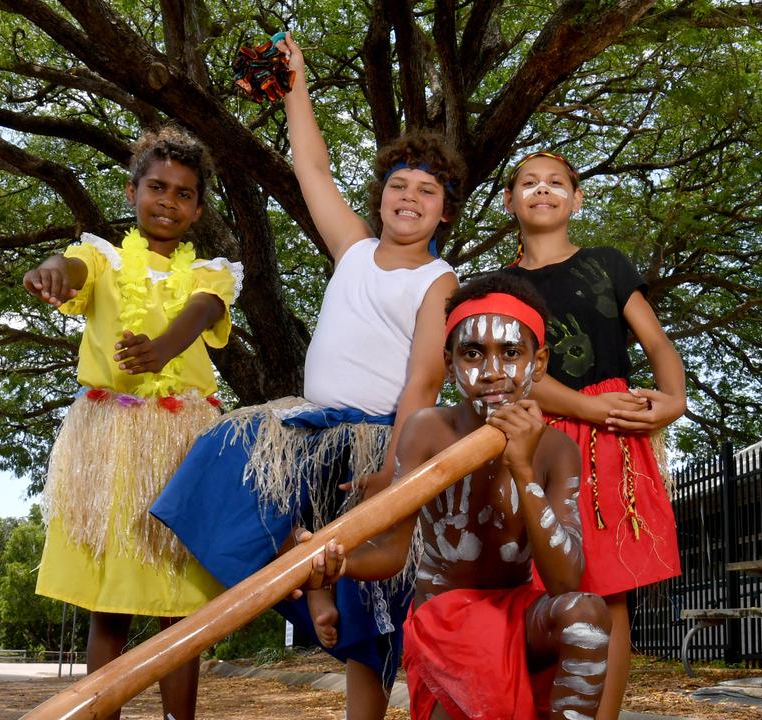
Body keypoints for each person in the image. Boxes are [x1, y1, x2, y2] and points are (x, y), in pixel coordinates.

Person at [149, 32, 460, 720]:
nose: (408, 197)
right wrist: (297, 89)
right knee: (220, 456)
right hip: (305, 430)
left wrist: (399, 472)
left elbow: (423, 385)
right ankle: (300, 570)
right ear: (380, 198)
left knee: (371, 620)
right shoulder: (353, 248)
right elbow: (314, 170)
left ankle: (320, 593)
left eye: (426, 190)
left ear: (443, 210)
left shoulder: (441, 281)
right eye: (398, 186)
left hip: (377, 441)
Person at [300, 273, 612, 720]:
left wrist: (522, 467)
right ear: (449, 365)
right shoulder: (428, 429)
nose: (491, 371)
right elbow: (392, 550)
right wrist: (339, 562)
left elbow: (566, 583)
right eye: (472, 353)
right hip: (444, 619)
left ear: (538, 363)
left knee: (586, 616)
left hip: (517, 615)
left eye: (510, 352)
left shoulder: (556, 449)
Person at [25, 126, 242, 720]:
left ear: (197, 209)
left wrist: (165, 346)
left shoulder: (212, 271)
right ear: (131, 191)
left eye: (182, 193)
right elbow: (70, 267)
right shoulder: (102, 254)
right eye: (156, 187)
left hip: (180, 443)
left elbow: (202, 312)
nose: (167, 201)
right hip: (112, 443)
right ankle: (102, 712)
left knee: (180, 601)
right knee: (109, 600)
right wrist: (50, 271)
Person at [501, 151, 685, 720]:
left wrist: (673, 401)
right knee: (536, 587)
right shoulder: (500, 286)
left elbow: (657, 344)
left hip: (612, 444)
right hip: (540, 438)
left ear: (576, 200)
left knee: (608, 589)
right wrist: (588, 406)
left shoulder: (608, 263)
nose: (543, 190)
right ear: (511, 202)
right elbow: (519, 374)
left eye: (557, 182)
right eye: (528, 182)